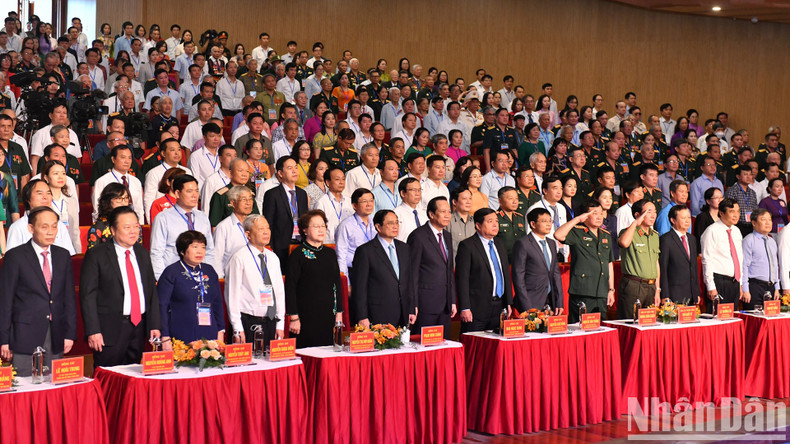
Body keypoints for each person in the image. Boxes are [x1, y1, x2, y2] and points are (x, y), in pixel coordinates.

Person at [80, 206, 161, 367]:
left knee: (134, 381)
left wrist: (154, 324)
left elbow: (151, 292)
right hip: (109, 330)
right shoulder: (97, 255)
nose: (133, 231)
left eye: (136, 226)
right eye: (127, 227)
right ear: (113, 230)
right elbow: (87, 295)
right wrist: (93, 330)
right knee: (108, 380)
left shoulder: (142, 253)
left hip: (138, 328)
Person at [0, 207, 76, 376]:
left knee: (54, 387)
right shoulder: (15, 256)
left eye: (54, 226)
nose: (50, 232)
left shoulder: (63, 256)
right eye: (44, 227)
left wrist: (70, 333)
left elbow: (69, 298)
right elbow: (5, 300)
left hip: (56, 333)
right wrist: (3, 339)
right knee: (25, 387)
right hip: (24, 336)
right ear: (31, 228)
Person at [225, 215, 285, 349]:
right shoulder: (239, 258)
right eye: (260, 229)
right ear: (248, 234)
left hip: (270, 321)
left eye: (267, 228)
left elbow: (279, 292)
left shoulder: (273, 257)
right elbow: (232, 295)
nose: (266, 232)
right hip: (247, 322)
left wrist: (280, 324)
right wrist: (237, 327)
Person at [285, 210, 344, 348]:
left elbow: (336, 284)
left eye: (323, 226)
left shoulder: (330, 253)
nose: (321, 230)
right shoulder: (297, 255)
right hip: (306, 316)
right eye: (316, 226)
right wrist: (294, 317)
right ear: (305, 230)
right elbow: (290, 288)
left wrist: (339, 313)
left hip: (328, 314)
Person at [553, 200, 615, 323]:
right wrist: (577, 219)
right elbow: (558, 235)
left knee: (599, 328)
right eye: (594, 213)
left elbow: (609, 263)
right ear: (585, 216)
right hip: (582, 290)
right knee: (579, 327)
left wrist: (611, 290)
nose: (599, 217)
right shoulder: (577, 232)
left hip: (601, 291)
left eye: (601, 213)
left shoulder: (605, 235)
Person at [353, 209, 416, 327]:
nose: (395, 226)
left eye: (397, 222)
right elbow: (359, 288)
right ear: (378, 227)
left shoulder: (404, 248)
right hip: (378, 314)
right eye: (390, 223)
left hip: (403, 312)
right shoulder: (365, 251)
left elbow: (409, 281)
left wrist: (411, 307)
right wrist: (362, 316)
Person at [456, 208, 513, 332]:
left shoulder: (499, 243)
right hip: (476, 308)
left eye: (497, 221)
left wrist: (508, 302)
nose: (495, 225)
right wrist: (465, 307)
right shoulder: (467, 246)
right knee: (474, 346)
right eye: (490, 221)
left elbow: (505, 275)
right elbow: (462, 279)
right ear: (478, 225)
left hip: (498, 306)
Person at [407, 197, 456, 336]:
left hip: (445, 305)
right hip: (425, 304)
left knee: (443, 345)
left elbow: (449, 270)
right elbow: (412, 273)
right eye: (443, 211)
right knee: (423, 346)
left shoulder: (447, 235)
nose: (447, 215)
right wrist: (413, 304)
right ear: (431, 214)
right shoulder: (418, 236)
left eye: (449, 211)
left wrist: (452, 300)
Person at [150, 174, 215, 279]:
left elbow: (210, 250)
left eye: (197, 191)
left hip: (200, 276)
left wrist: (210, 275)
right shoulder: (163, 218)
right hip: (174, 276)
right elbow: (156, 252)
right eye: (189, 191)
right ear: (177, 193)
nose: (194, 195)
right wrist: (161, 279)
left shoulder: (202, 217)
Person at [512, 208, 564, 313]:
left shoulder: (552, 243)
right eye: (544, 221)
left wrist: (559, 302)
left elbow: (556, 274)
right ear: (533, 224)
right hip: (531, 301)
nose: (549, 224)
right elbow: (518, 277)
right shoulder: (523, 244)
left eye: (550, 221)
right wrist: (527, 307)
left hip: (551, 300)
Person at [617, 199, 660, 319]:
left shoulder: (655, 235)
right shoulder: (628, 232)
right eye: (649, 211)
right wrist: (636, 223)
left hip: (651, 286)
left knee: (649, 324)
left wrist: (657, 289)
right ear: (637, 215)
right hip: (634, 285)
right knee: (631, 322)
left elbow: (656, 263)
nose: (653, 215)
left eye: (655, 212)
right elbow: (624, 243)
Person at [6, 180, 75, 254]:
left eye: (48, 193)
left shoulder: (60, 225)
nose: (45, 197)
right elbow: (12, 258)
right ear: (28, 199)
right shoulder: (18, 227)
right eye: (40, 193)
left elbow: (69, 255)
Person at [700, 198, 745, 313]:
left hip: (734, 282)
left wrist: (740, 283)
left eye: (738, 211)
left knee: (732, 318)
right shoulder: (711, 231)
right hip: (719, 281)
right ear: (721, 213)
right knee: (717, 318)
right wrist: (711, 286)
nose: (736, 215)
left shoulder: (736, 231)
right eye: (732, 211)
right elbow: (707, 260)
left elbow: (739, 258)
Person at [263, 156, 308, 264]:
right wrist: (270, 246)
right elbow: (268, 223)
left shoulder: (302, 194)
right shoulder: (272, 194)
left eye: (295, 167)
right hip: (281, 245)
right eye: (289, 168)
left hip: (301, 243)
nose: (294, 171)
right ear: (280, 173)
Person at [143, 138, 191, 223]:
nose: (177, 153)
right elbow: (149, 201)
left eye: (179, 149)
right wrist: (152, 225)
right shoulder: (154, 173)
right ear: (163, 153)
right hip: (163, 216)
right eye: (172, 150)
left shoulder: (187, 171)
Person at [92, 145, 144, 223]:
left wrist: (140, 226)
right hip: (110, 224)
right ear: (113, 159)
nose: (127, 161)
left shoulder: (136, 181)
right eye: (123, 157)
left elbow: (139, 208)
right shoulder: (102, 181)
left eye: (129, 158)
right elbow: (97, 208)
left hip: (132, 224)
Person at [658, 205, 699, 304]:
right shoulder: (666, 239)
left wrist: (696, 292)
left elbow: (693, 267)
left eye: (689, 217)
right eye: (683, 218)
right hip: (674, 294)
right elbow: (663, 269)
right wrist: (665, 295)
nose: (687, 221)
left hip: (691, 294)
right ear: (673, 220)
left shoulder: (692, 239)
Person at [213, 185, 255, 279]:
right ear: (233, 203)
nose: (248, 203)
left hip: (253, 276)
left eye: (250, 199)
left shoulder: (254, 224)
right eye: (244, 199)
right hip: (231, 277)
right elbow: (216, 257)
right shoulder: (223, 227)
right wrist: (220, 279)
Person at [741, 209, 780, 310]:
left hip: (771, 287)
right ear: (754, 223)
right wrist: (745, 290)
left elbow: (775, 266)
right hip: (755, 287)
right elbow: (744, 266)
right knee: (754, 321)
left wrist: (776, 288)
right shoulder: (748, 240)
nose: (768, 223)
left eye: (770, 220)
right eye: (763, 219)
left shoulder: (772, 241)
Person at [40, 160, 80, 254]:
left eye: (63, 173)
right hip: (48, 249)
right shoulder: (42, 201)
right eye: (55, 173)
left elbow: (75, 230)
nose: (60, 177)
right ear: (46, 177)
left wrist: (78, 252)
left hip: (68, 248)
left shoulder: (71, 200)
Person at [87, 183, 140, 250]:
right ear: (108, 201)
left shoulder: (133, 223)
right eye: (119, 199)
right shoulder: (99, 226)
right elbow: (92, 255)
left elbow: (138, 250)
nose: (123, 203)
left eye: (126, 198)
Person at [208, 158, 256, 226]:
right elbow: (214, 225)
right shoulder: (221, 195)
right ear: (230, 173)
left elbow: (256, 219)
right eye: (240, 171)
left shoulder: (250, 195)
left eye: (247, 171)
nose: (244, 174)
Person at [315, 166, 353, 244]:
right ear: (328, 182)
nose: (341, 182)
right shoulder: (321, 202)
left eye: (343, 179)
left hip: (348, 244)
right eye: (337, 179)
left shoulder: (349, 201)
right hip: (329, 244)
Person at [724, 165, 758, 236]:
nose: (748, 177)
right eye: (745, 174)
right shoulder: (732, 191)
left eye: (750, 174)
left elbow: (755, 209)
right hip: (737, 225)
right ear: (738, 176)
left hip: (751, 226)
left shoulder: (752, 193)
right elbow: (728, 210)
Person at [495, 186, 525, 259]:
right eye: (510, 198)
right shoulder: (495, 218)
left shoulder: (520, 217)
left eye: (517, 198)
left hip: (521, 258)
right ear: (500, 200)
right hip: (503, 259)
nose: (515, 202)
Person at [394, 177, 427, 242]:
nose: (417, 194)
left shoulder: (424, 213)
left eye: (419, 190)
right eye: (413, 190)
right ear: (403, 193)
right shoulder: (396, 214)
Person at [449, 187, 476, 262]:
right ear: (454, 202)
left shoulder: (475, 221)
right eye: (464, 199)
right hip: (455, 267)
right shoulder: (448, 221)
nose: (468, 202)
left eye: (470, 199)